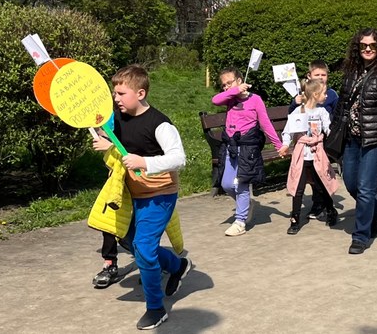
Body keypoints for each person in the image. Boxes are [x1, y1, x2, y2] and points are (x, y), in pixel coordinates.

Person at [91, 65, 191, 331]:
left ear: (141, 93)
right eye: (115, 93)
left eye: (122, 93)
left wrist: (144, 162)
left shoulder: (160, 124)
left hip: (160, 193)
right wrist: (107, 142)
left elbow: (179, 158)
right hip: (131, 191)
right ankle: (177, 265)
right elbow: (117, 143)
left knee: (144, 249)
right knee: (129, 240)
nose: (116, 98)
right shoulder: (119, 116)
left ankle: (156, 309)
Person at [337, 28, 377, 255]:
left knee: (366, 188)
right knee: (352, 184)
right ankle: (375, 210)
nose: (367, 49)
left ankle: (361, 236)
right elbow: (342, 105)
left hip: (376, 139)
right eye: (363, 45)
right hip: (351, 138)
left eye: (372, 45)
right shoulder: (351, 71)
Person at [212, 68, 283, 237]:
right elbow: (215, 100)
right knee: (226, 184)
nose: (226, 87)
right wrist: (234, 91)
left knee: (241, 184)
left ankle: (240, 221)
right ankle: (245, 205)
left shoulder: (255, 100)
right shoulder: (229, 99)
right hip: (231, 147)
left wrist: (278, 145)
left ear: (240, 80)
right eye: (224, 85)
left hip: (247, 149)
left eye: (230, 83)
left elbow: (265, 123)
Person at [278, 78, 339, 233]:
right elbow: (288, 131)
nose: (326, 96)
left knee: (322, 184)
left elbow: (329, 129)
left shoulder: (322, 112)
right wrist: (285, 144)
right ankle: (295, 219)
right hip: (302, 155)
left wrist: (335, 140)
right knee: (298, 187)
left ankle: (331, 210)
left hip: (317, 154)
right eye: (324, 93)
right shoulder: (298, 112)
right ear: (315, 95)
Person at [291, 60, 341, 220]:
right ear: (309, 76)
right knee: (310, 175)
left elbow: (337, 115)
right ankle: (318, 203)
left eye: (323, 75)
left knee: (321, 174)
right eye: (317, 75)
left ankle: (326, 205)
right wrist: (294, 103)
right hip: (306, 144)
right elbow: (292, 116)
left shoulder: (331, 95)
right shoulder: (303, 95)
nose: (320, 78)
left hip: (323, 141)